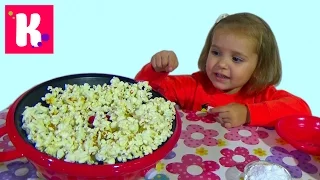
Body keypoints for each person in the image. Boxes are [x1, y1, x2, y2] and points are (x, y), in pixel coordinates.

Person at [135, 12, 312, 128]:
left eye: (236, 59)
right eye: (216, 52)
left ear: (259, 66)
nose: (222, 64)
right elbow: (141, 91)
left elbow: (302, 110)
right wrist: (156, 70)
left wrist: (247, 113)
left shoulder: (260, 94)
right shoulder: (194, 86)